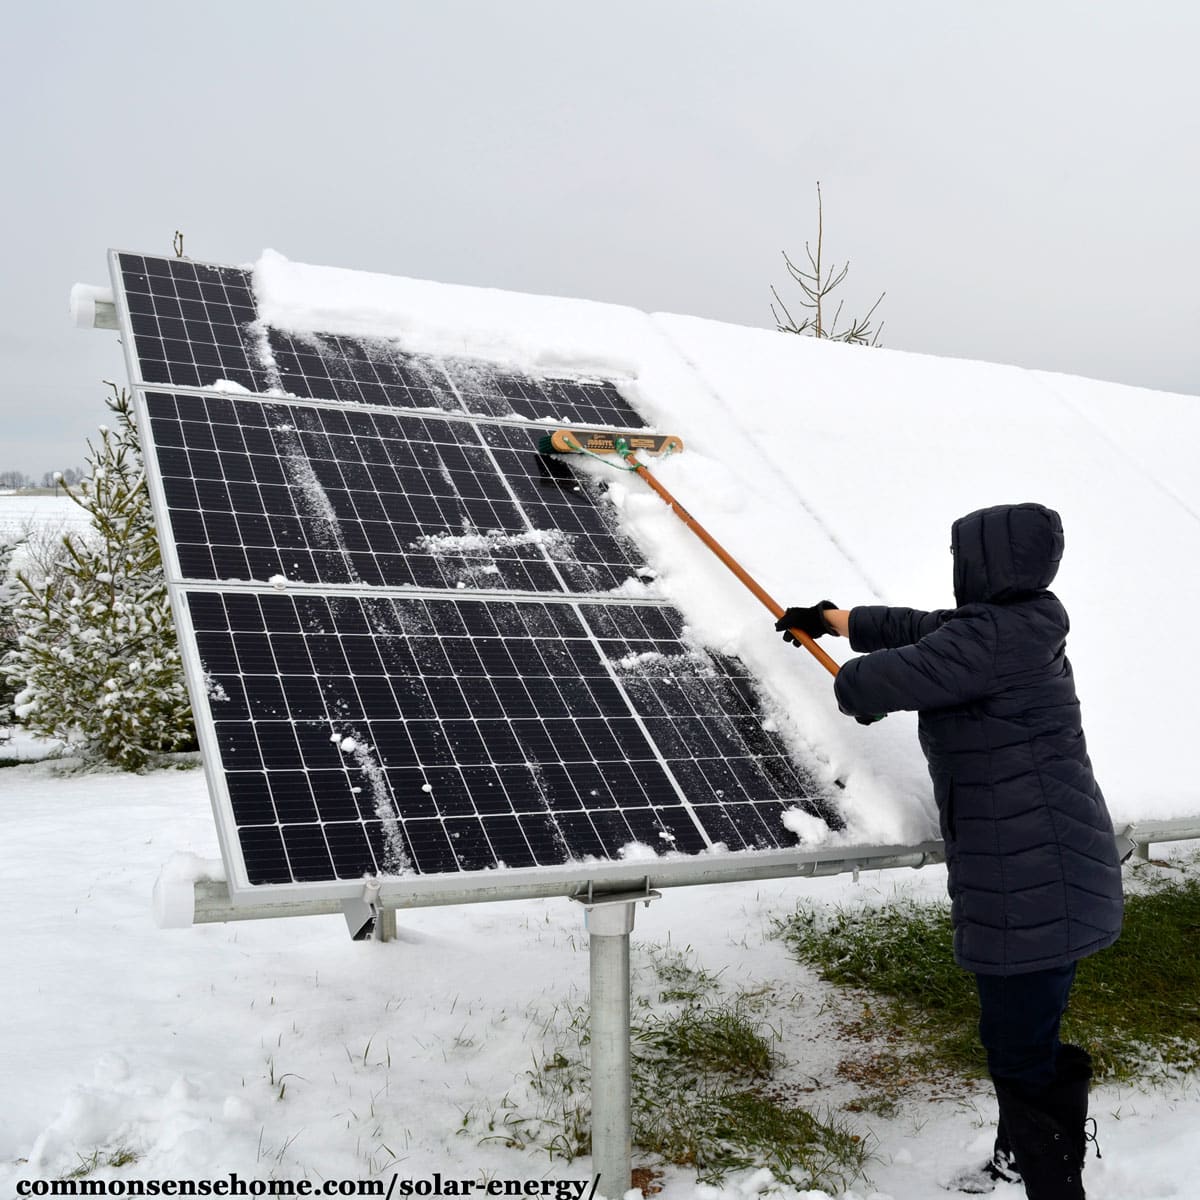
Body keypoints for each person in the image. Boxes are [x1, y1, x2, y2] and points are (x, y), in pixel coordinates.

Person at [776, 502, 1123, 1200]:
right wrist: (836, 619)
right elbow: (923, 630)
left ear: (985, 562)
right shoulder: (1022, 623)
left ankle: (1054, 1186)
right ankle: (1023, 1161)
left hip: (1027, 882)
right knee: (1030, 1036)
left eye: (962, 554)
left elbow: (867, 684)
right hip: (1053, 868)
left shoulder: (987, 643)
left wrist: (860, 684)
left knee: (1019, 1050)